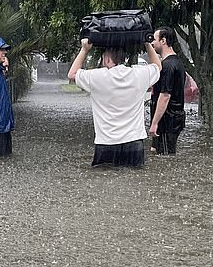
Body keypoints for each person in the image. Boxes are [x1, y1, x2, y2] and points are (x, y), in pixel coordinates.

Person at [68, 38, 161, 167]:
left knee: (103, 181)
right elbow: (158, 67)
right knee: (134, 182)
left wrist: (84, 50)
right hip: (134, 142)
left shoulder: (96, 77)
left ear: (106, 59)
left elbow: (72, 74)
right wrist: (147, 44)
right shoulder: (139, 74)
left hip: (106, 142)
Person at [149, 26, 187, 155]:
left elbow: (165, 96)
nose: (152, 43)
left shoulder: (168, 66)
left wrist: (154, 123)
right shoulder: (177, 63)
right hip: (171, 120)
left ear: (163, 41)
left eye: (154, 39)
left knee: (166, 157)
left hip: (167, 121)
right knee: (161, 154)